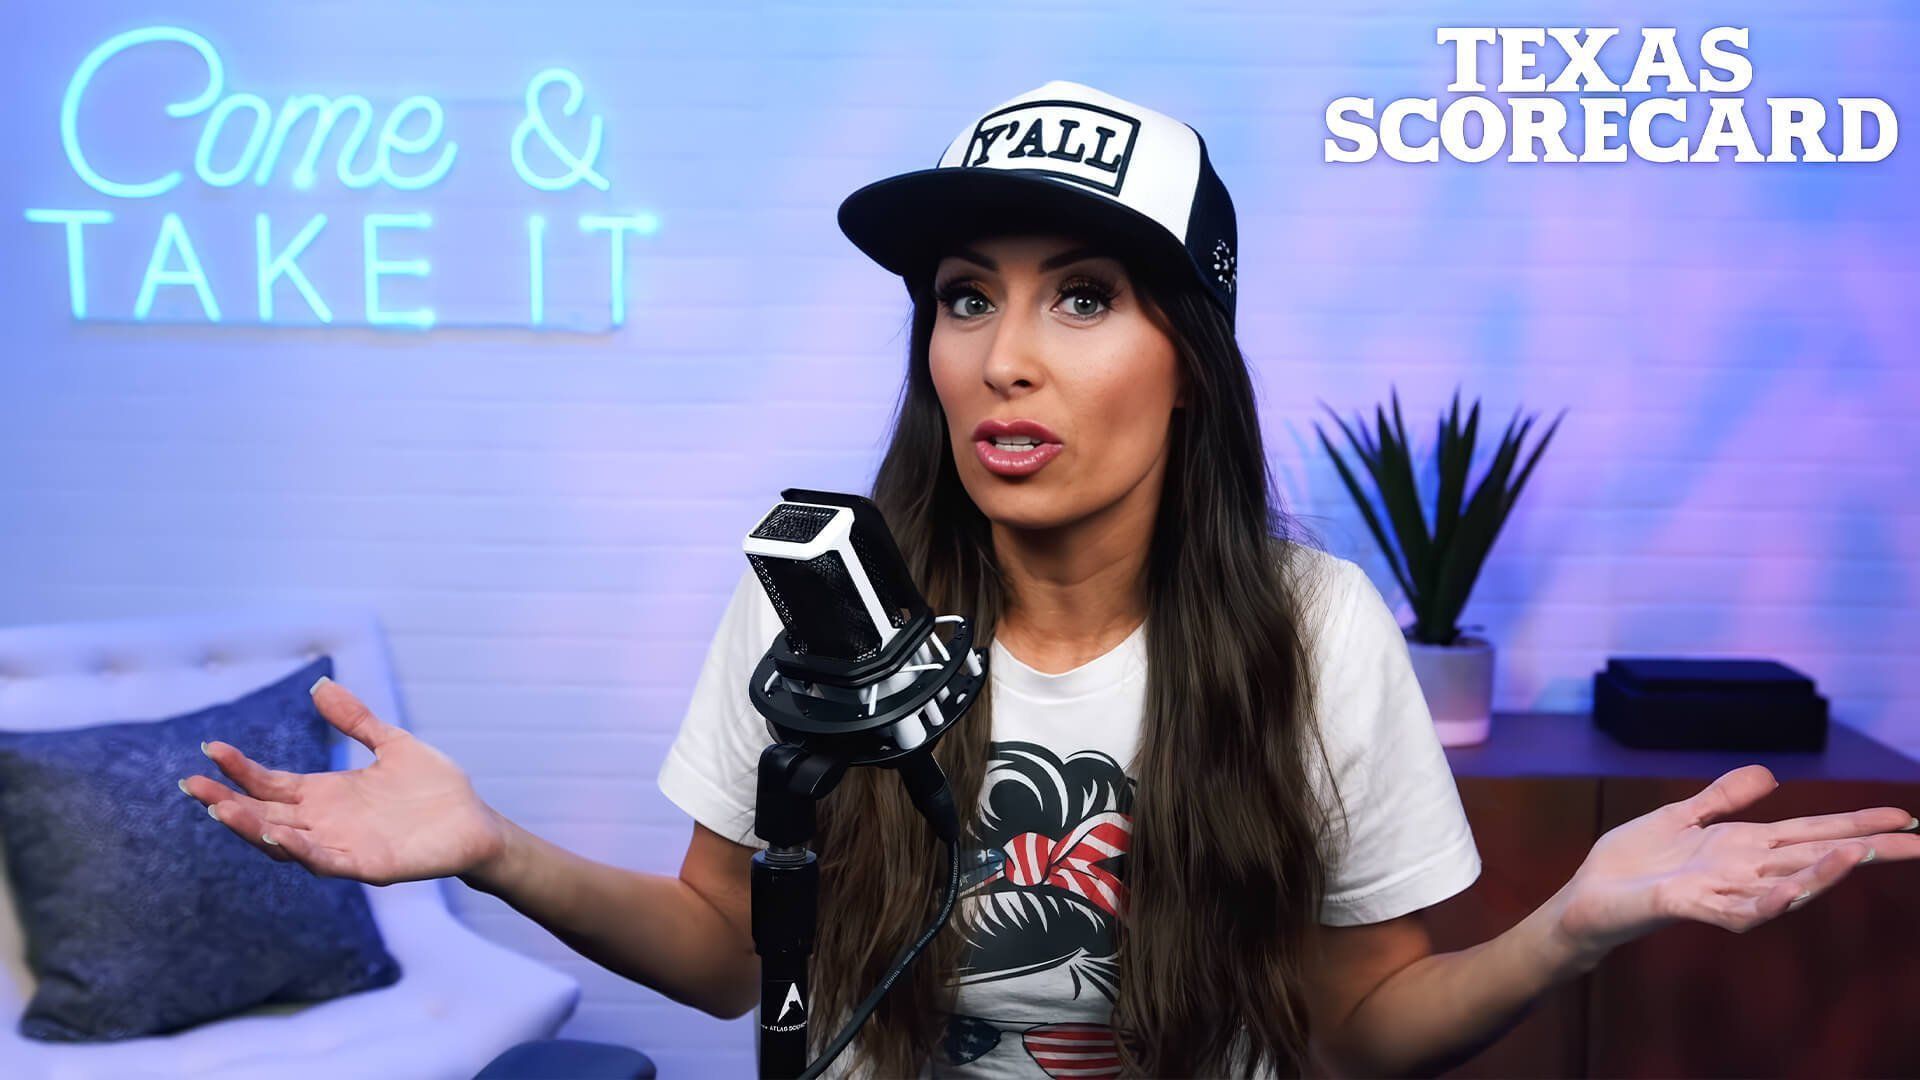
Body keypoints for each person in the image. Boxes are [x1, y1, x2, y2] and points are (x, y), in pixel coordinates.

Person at [182, 80, 1916, 1079]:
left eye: (1083, 294)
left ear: (1190, 360)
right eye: (966, 296)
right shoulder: (820, 605)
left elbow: (1368, 1027)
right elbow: (723, 958)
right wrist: (493, 847)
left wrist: (1572, 927)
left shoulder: (1312, 635)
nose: (1005, 354)